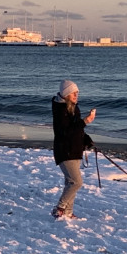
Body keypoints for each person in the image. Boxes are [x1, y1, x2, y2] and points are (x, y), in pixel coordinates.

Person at [50, 79, 96, 220]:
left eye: (77, 93)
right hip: (65, 151)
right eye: (73, 93)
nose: (76, 95)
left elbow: (76, 130)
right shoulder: (60, 109)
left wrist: (87, 140)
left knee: (70, 183)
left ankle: (68, 212)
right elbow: (65, 132)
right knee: (76, 182)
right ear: (66, 94)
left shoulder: (73, 107)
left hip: (75, 150)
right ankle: (60, 208)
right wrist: (85, 121)